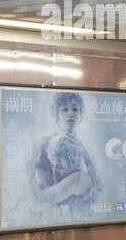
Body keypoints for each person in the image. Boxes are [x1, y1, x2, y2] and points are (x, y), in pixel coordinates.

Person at [27, 91, 101, 219]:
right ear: (56, 115)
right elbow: (41, 187)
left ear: (81, 114)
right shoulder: (43, 145)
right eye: (64, 109)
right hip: (52, 210)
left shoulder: (86, 149)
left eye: (75, 109)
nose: (70, 113)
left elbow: (98, 187)